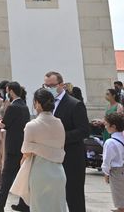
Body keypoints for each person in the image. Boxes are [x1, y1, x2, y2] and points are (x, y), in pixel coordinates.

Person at [12, 88, 67, 212]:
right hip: (58, 172)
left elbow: (25, 152)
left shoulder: (32, 125)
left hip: (39, 172)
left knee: (39, 208)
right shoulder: (59, 123)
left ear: (37, 103)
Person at [44, 70, 89, 212]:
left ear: (61, 85)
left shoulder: (74, 104)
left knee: (74, 196)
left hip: (72, 157)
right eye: (45, 86)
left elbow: (83, 130)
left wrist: (60, 137)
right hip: (51, 157)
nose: (48, 89)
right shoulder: (46, 104)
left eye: (51, 85)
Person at [0, 82, 30, 212]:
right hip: (21, 144)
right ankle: (24, 204)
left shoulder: (13, 107)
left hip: (13, 145)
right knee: (21, 175)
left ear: (12, 91)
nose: (6, 93)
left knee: (7, 175)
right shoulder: (24, 105)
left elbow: (3, 124)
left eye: (7, 91)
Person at [102, 112, 124, 212]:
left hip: (117, 172)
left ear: (113, 127)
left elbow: (107, 160)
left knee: (121, 203)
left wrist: (106, 173)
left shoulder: (110, 142)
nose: (105, 127)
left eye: (106, 125)